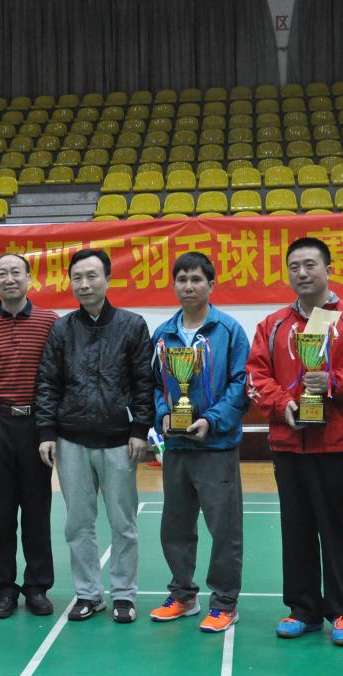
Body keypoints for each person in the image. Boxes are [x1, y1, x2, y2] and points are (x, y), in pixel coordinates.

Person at [245, 237, 343, 647]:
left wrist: (333, 382)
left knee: (337, 531)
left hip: (336, 444)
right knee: (296, 529)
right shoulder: (273, 325)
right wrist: (284, 405)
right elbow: (256, 377)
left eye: (310, 265)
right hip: (288, 444)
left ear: (328, 269)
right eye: (294, 267)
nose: (302, 273)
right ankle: (303, 610)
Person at [35, 248, 154, 623]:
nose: (84, 284)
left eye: (92, 276)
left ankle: (123, 594)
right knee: (78, 524)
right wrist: (47, 432)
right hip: (71, 440)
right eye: (77, 278)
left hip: (119, 440)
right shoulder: (61, 328)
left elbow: (144, 382)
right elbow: (48, 383)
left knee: (123, 524)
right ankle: (88, 593)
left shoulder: (132, 325)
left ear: (108, 279)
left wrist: (140, 429)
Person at [147, 252, 250, 633]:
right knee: (174, 526)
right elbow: (154, 385)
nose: (188, 286)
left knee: (224, 530)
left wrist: (212, 420)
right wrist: (164, 415)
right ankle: (183, 595)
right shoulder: (163, 333)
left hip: (216, 446)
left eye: (196, 279)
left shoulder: (229, 331)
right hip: (176, 448)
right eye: (182, 279)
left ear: (211, 284)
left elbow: (241, 384)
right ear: (174, 285)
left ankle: (224, 603)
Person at [0, 253, 59, 619]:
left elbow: (56, 379)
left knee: (37, 512)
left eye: (16, 272)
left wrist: (51, 430)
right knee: (1, 513)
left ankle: (37, 587)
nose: (9, 279)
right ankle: (3, 589)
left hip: (37, 425)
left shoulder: (50, 321)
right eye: (1, 273)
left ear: (29, 277)